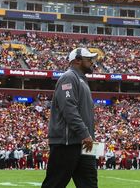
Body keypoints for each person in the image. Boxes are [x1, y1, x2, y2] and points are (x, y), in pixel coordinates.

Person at [41, 47, 98, 188]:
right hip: (67, 142)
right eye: (89, 59)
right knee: (55, 183)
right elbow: (69, 109)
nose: (92, 62)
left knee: (90, 184)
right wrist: (85, 133)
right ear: (77, 61)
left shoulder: (82, 79)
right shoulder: (69, 77)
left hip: (84, 143)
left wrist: (88, 136)